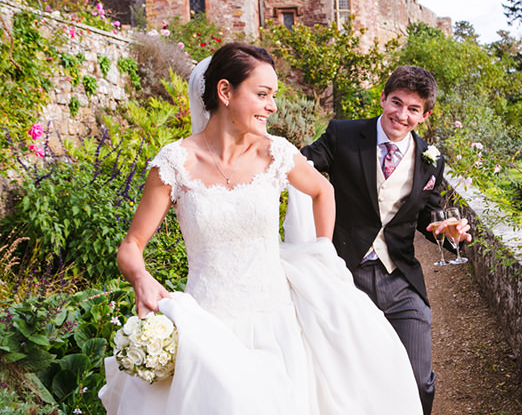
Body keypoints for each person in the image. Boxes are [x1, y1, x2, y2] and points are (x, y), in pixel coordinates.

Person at [99, 43, 422, 414]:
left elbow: (323, 190)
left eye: (274, 96)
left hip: (278, 323)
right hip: (209, 323)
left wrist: (321, 251)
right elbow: (131, 246)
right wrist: (140, 277)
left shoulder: (276, 153)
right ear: (225, 92)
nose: (272, 106)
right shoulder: (174, 163)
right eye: (263, 94)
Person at [301, 65, 472, 415]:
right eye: (396, 103)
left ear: (425, 115)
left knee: (417, 378)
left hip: (400, 278)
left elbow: (427, 213)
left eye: (413, 109)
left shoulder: (432, 159)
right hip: (345, 275)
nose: (402, 115)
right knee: (351, 379)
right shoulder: (343, 135)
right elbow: (302, 164)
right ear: (383, 98)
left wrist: (447, 233)